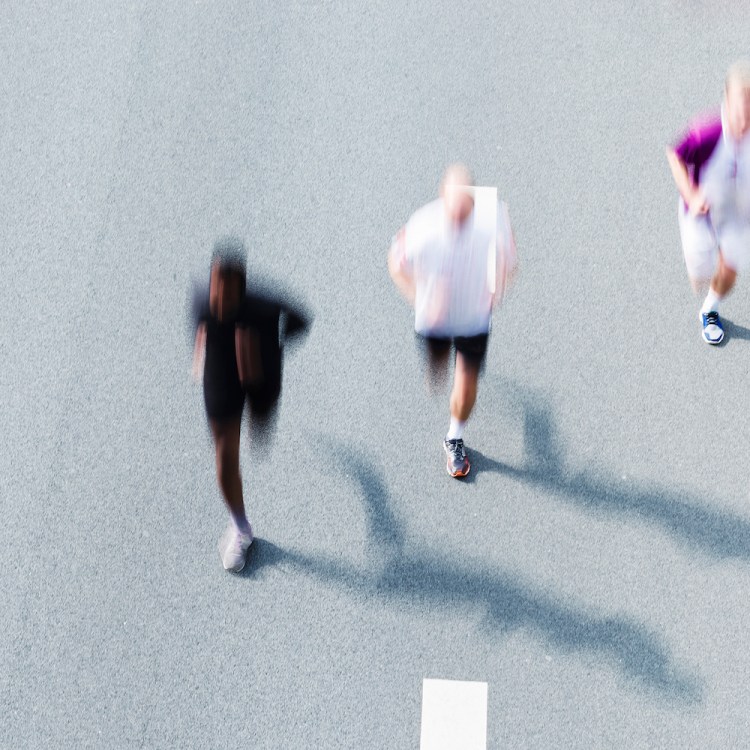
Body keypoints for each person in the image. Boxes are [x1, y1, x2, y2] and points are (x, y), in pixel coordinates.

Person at [388, 164, 517, 477]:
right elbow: (396, 264)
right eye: (452, 210)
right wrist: (420, 299)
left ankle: (454, 438)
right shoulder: (423, 225)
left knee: (465, 384)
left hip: (473, 320)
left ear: (473, 201)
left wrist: (496, 291)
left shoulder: (492, 218)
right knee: (437, 365)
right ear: (442, 199)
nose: (459, 218)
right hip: (435, 321)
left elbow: (510, 263)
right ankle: (438, 362)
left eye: (465, 210)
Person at [191, 237, 311, 572]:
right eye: (216, 286)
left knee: (260, 429)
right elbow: (198, 320)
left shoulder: (262, 305)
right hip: (220, 375)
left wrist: (271, 349)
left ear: (241, 289)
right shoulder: (202, 300)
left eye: (228, 290)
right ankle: (241, 529)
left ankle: (257, 418)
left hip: (260, 376)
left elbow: (301, 319)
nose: (219, 297)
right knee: (225, 453)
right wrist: (199, 349)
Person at [666, 60, 750, 344]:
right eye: (742, 111)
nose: (745, 122)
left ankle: (709, 310)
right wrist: (690, 194)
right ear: (727, 102)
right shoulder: (708, 132)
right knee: (698, 275)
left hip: (737, 215)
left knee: (729, 270)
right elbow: (674, 154)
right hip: (700, 216)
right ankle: (700, 274)